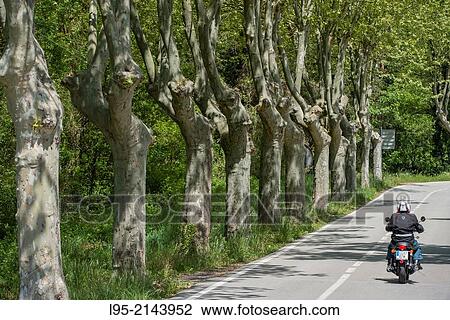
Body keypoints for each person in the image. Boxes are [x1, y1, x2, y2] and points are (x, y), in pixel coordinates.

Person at [385, 201, 424, 272]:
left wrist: (390, 227)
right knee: (417, 248)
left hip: (396, 241)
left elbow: (388, 228)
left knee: (390, 248)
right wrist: (419, 228)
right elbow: (420, 228)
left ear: (398, 208)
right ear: (408, 208)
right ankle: (416, 263)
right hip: (409, 240)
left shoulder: (394, 216)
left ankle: (389, 264)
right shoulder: (412, 216)